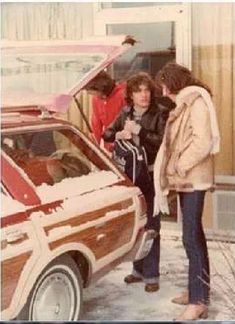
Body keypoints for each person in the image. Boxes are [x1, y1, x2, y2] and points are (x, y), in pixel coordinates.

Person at [154, 62, 220, 320]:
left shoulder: (196, 102)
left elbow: (203, 142)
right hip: (187, 179)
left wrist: (180, 165)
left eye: (163, 84)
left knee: (191, 237)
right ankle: (198, 290)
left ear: (172, 83)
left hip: (192, 179)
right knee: (194, 236)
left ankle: (198, 301)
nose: (163, 90)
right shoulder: (187, 101)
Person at [103, 72, 174, 292]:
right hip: (133, 177)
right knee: (138, 222)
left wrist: (140, 131)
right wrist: (118, 135)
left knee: (152, 226)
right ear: (131, 95)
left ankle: (152, 275)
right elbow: (106, 133)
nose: (143, 95)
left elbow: (163, 143)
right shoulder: (125, 112)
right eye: (138, 91)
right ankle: (138, 270)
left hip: (151, 176)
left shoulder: (161, 113)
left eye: (147, 90)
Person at [85, 71, 126, 151]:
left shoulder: (122, 95)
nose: (93, 95)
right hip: (108, 144)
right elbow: (96, 123)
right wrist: (95, 146)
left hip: (123, 142)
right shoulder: (96, 99)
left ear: (101, 88)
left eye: (94, 92)